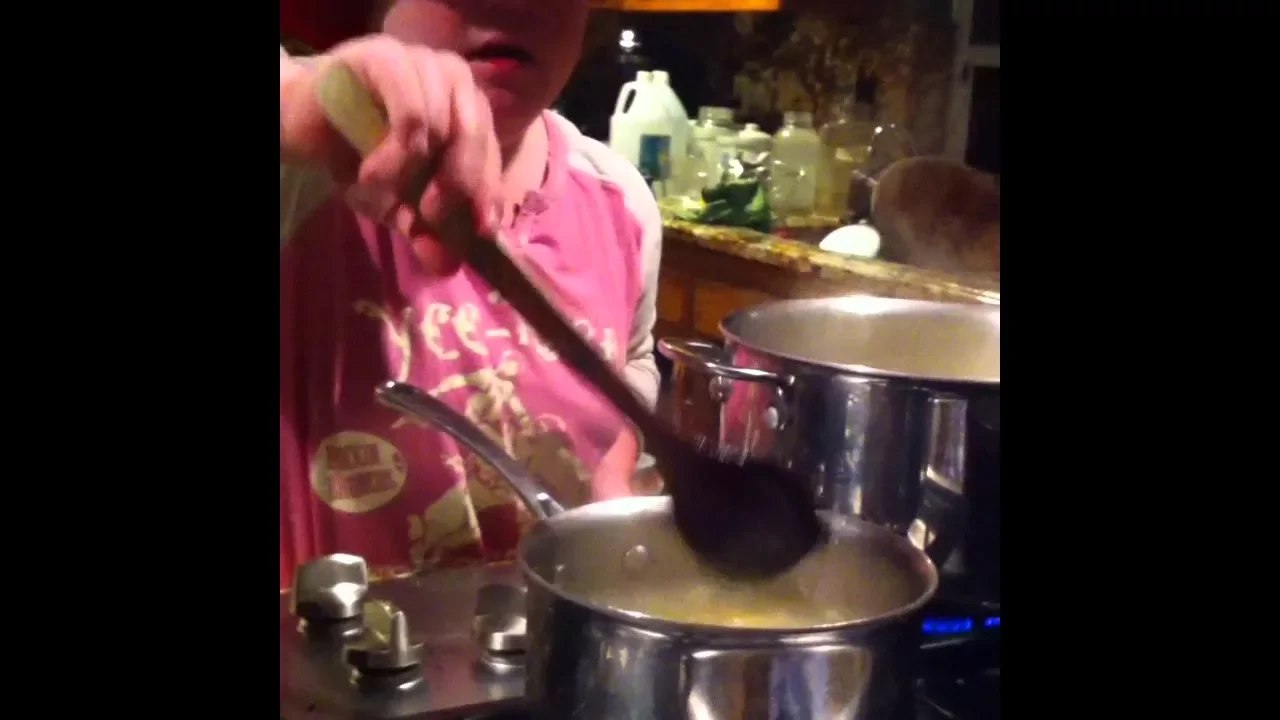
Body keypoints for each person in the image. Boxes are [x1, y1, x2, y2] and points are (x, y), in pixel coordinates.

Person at [279, 0, 662, 588]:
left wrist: (620, 451)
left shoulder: (620, 199)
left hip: (549, 629)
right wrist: (298, 98)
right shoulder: (303, 175)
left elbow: (633, 357)